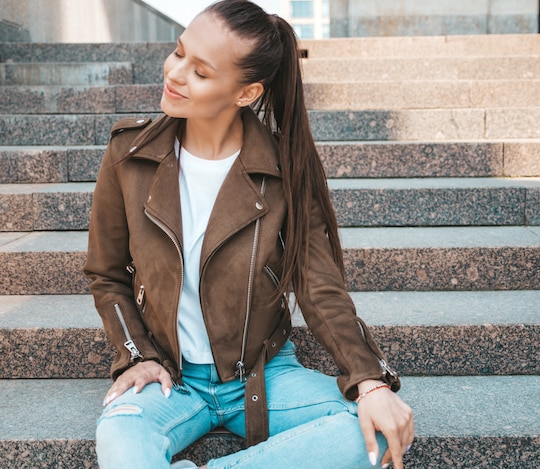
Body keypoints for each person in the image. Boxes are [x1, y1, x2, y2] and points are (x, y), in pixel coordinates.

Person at [83, 1, 414, 468]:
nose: (174, 73)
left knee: (376, 434)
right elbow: (106, 274)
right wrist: (136, 355)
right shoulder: (128, 155)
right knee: (121, 437)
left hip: (263, 377)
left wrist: (371, 381)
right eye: (179, 53)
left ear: (246, 92)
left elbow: (320, 290)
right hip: (168, 379)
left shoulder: (282, 170)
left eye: (200, 71)